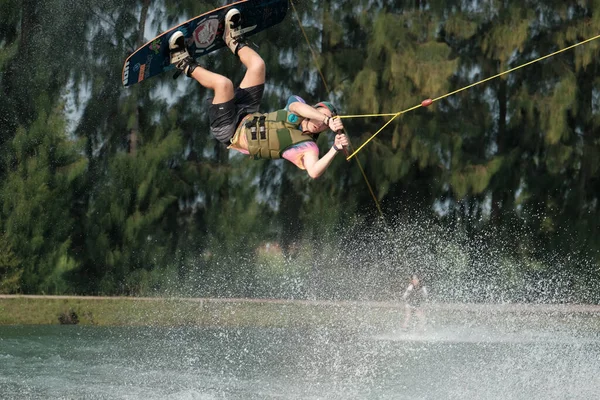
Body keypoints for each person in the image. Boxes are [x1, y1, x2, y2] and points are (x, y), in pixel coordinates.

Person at [168, 8, 349, 179]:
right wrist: (327, 119)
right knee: (258, 66)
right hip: (248, 112)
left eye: (324, 126)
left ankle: (182, 62)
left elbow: (314, 172)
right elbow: (298, 107)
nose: (320, 124)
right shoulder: (298, 107)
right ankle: (232, 39)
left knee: (224, 84)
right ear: (314, 110)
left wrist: (335, 147)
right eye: (320, 117)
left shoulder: (307, 147)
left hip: (229, 129)